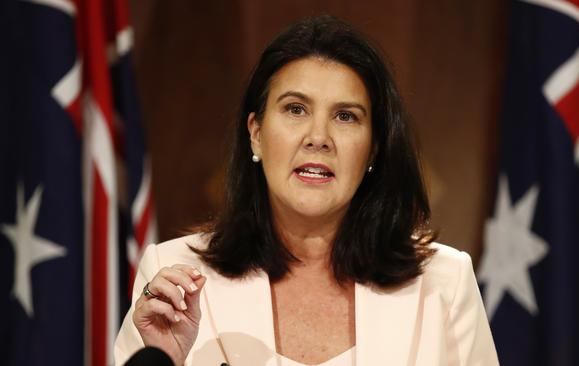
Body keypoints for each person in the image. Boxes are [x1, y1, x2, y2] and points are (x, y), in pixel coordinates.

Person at [114, 15, 499, 366]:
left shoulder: (444, 283)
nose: (318, 137)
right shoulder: (174, 280)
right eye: (295, 109)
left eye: (345, 116)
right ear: (257, 134)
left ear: (373, 149)